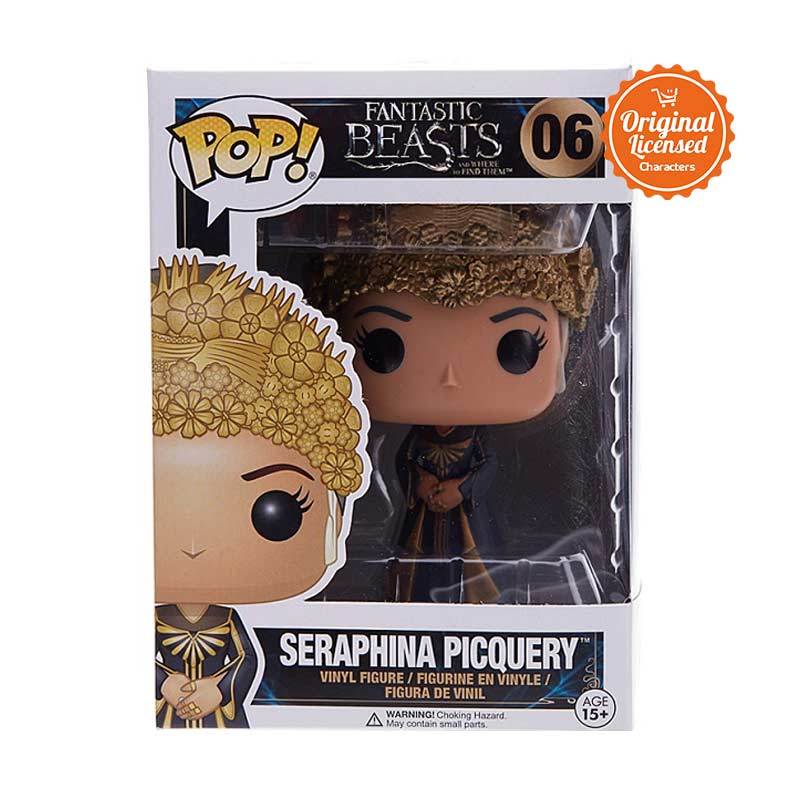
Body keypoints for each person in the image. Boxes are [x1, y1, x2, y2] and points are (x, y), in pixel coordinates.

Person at [151, 255, 366, 726]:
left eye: (277, 511)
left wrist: (218, 689)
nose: (193, 546)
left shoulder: (229, 627)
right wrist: (163, 683)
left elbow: (246, 663)